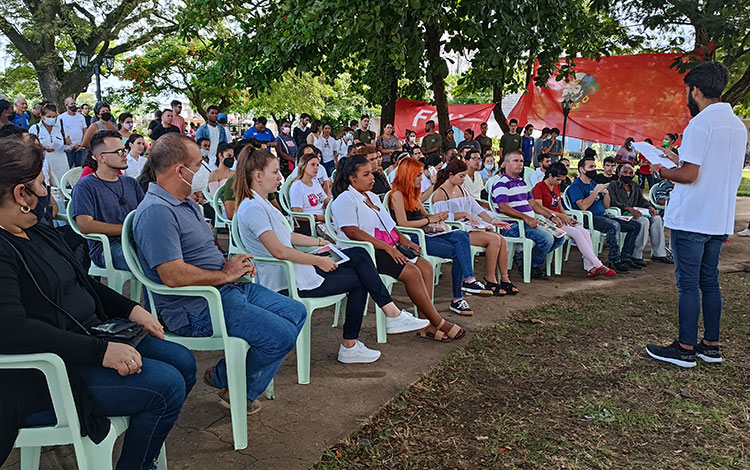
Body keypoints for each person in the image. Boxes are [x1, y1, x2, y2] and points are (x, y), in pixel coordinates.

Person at [0, 138, 195, 470]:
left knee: (183, 361)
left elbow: (83, 282)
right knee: (166, 386)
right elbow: (12, 329)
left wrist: (133, 310)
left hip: (92, 334)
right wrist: (100, 353)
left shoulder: (37, 230)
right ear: (22, 194)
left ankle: (141, 448)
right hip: (53, 371)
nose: (47, 191)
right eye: (42, 183)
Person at [133, 133, 306, 412]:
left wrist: (234, 266)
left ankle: (235, 387)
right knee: (281, 336)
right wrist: (225, 274)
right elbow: (173, 276)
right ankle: (224, 378)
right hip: (196, 307)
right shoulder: (157, 212)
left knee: (296, 312)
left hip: (226, 289)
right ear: (180, 171)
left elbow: (203, 255)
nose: (204, 170)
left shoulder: (186, 201)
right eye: (199, 164)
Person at [234, 148, 429, 364]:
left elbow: (287, 237)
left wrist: (321, 242)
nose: (280, 177)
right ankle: (354, 342)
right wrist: (319, 260)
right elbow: (278, 251)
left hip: (299, 270)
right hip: (288, 280)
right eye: (275, 172)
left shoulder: (263, 204)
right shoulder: (253, 208)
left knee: (359, 253)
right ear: (258, 176)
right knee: (360, 279)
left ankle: (388, 315)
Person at [647, 62, 747, 367]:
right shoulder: (736, 125)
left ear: (696, 90)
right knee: (710, 281)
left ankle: (685, 348)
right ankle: (710, 346)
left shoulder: (700, 124)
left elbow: (690, 175)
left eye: (688, 91)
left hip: (692, 217)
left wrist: (663, 170)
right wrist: (675, 158)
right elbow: (708, 166)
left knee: (688, 284)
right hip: (718, 217)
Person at [330, 156, 465, 340]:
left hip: (384, 247)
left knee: (425, 267)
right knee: (412, 272)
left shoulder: (370, 196)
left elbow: (389, 224)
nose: (372, 178)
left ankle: (426, 324)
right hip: (365, 252)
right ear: (353, 179)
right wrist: (388, 247)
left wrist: (403, 240)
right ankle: (438, 322)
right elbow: (352, 232)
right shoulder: (345, 199)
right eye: (366, 174)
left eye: (372, 173)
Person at [390, 158, 492, 315]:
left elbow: (428, 215)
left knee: (461, 236)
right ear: (408, 175)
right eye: (417, 175)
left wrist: (438, 216)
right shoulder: (397, 194)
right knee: (460, 251)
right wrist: (430, 219)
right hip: (413, 238)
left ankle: (468, 281)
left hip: (426, 233)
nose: (420, 179)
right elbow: (402, 224)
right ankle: (460, 296)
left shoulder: (413, 194)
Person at [432, 159, 519, 295]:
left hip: (468, 227)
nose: (463, 179)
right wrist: (463, 214)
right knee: (494, 240)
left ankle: (504, 277)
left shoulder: (462, 189)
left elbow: (477, 209)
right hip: (455, 230)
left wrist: (492, 221)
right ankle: (490, 279)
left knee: (501, 238)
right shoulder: (440, 193)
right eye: (461, 176)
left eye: (464, 176)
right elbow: (440, 217)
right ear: (450, 175)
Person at [71, 131, 144, 271]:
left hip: (137, 241)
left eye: (124, 150)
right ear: (101, 157)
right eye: (118, 152)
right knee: (155, 261)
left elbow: (144, 213)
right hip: (108, 248)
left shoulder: (130, 183)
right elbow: (85, 225)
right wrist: (126, 230)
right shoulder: (85, 186)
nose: (124, 155)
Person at [492, 151, 567, 280]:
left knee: (560, 237)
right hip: (512, 225)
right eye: (515, 161)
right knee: (547, 238)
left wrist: (551, 216)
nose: (520, 164)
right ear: (505, 164)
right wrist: (526, 218)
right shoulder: (501, 183)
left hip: (529, 222)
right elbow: (503, 207)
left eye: (521, 161)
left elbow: (534, 204)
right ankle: (532, 266)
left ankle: (525, 259)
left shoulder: (521, 182)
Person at [533, 162, 615, 277]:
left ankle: (591, 266)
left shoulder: (555, 186)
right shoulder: (539, 187)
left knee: (585, 232)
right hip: (547, 219)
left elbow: (559, 204)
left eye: (561, 180)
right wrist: (560, 216)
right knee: (577, 234)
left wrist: (566, 216)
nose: (559, 183)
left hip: (559, 217)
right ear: (550, 175)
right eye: (557, 179)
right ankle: (597, 264)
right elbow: (540, 208)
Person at [568, 156, 642, 273]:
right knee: (613, 226)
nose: (594, 169)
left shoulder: (594, 183)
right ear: (582, 170)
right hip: (588, 218)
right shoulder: (576, 186)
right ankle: (614, 260)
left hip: (603, 215)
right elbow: (582, 206)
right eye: (591, 167)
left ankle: (626, 258)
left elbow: (606, 206)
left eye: (594, 166)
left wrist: (606, 194)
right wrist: (596, 191)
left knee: (635, 225)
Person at [608, 163, 671, 264]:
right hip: (622, 213)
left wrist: (650, 207)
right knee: (643, 221)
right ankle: (636, 255)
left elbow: (641, 200)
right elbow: (612, 201)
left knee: (657, 219)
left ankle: (659, 254)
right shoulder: (613, 185)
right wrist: (628, 208)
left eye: (630, 173)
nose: (628, 175)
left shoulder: (635, 186)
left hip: (636, 212)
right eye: (625, 172)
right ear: (619, 174)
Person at [28, 103, 71, 185]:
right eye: (49, 117)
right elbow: (30, 147)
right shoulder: (35, 129)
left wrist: (68, 148)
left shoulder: (61, 128)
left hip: (61, 163)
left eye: (54, 117)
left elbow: (69, 143)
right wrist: (43, 148)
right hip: (44, 164)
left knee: (62, 186)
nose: (52, 119)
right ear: (42, 116)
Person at [289, 150, 329, 236]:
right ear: (303, 166)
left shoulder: (315, 182)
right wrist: (318, 217)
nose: (316, 168)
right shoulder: (297, 187)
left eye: (317, 165)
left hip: (322, 220)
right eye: (312, 165)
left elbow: (327, 202)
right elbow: (298, 215)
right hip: (309, 224)